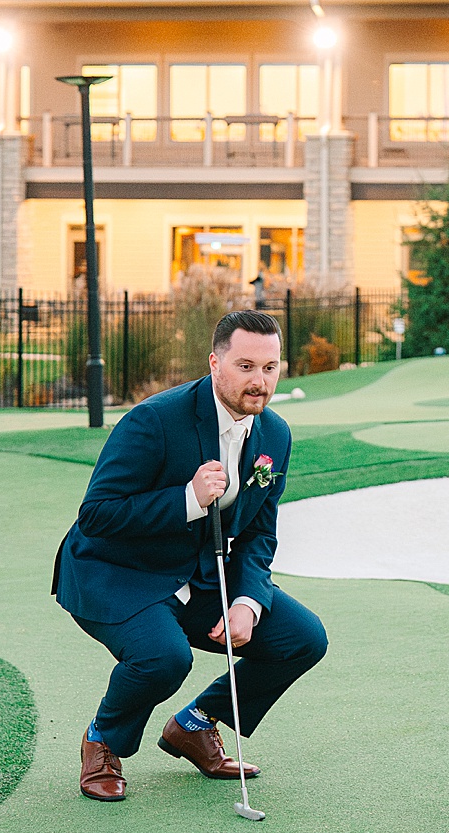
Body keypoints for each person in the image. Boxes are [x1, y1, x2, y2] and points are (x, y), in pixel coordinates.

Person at [52, 308, 327, 802]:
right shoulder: (156, 419)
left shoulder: (275, 435)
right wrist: (187, 499)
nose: (259, 382)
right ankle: (103, 742)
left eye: (270, 368)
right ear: (215, 363)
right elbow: (96, 514)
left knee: (303, 638)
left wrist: (248, 600)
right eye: (245, 366)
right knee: (164, 659)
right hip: (118, 573)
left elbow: (259, 533)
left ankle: (194, 724)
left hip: (199, 574)